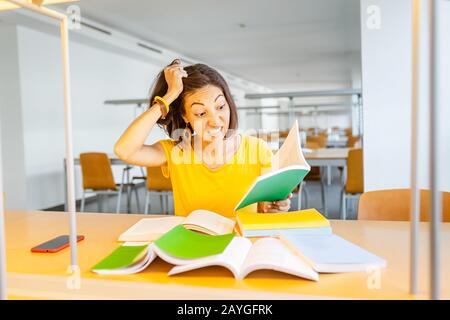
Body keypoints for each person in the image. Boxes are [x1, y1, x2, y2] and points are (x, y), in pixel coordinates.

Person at [114, 59, 292, 217]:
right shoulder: (176, 151)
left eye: (221, 107)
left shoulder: (257, 149)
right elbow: (124, 150)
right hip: (191, 247)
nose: (215, 122)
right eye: (200, 113)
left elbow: (265, 209)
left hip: (240, 247)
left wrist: (275, 206)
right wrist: (168, 97)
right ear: (185, 116)